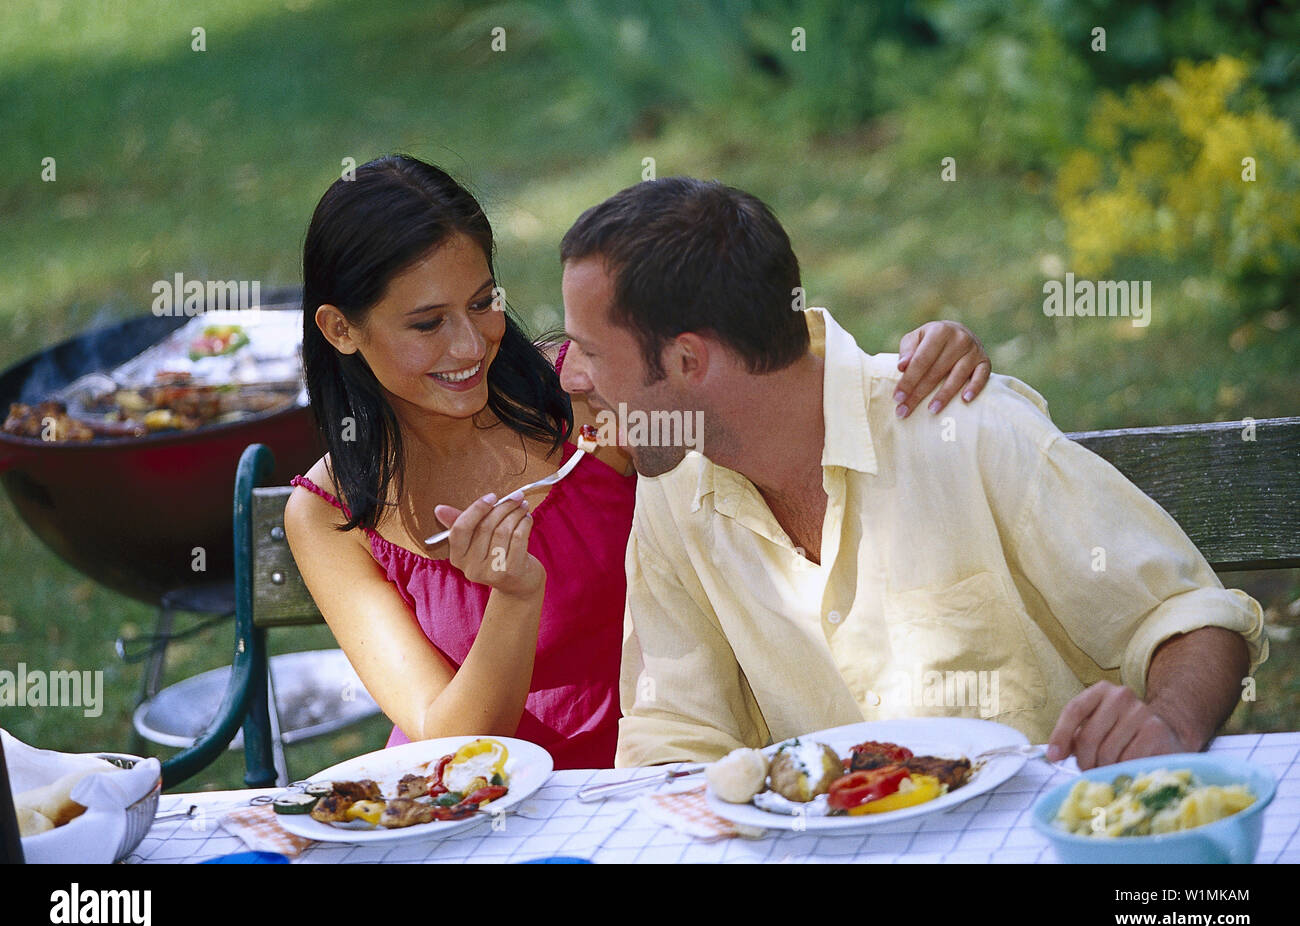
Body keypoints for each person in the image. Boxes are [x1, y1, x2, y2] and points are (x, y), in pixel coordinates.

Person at [282, 155, 993, 769]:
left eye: (482, 302)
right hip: (475, 820)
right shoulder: (327, 514)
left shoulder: (588, 395)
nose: (470, 345)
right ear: (341, 328)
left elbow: (779, 396)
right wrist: (515, 596)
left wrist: (912, 360)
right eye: (427, 323)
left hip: (669, 781)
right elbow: (450, 743)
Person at [556, 176, 1268, 771]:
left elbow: (1193, 621)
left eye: (591, 351)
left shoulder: (964, 426)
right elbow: (675, 737)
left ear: (687, 360)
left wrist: (1169, 728)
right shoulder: (673, 490)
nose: (575, 376)